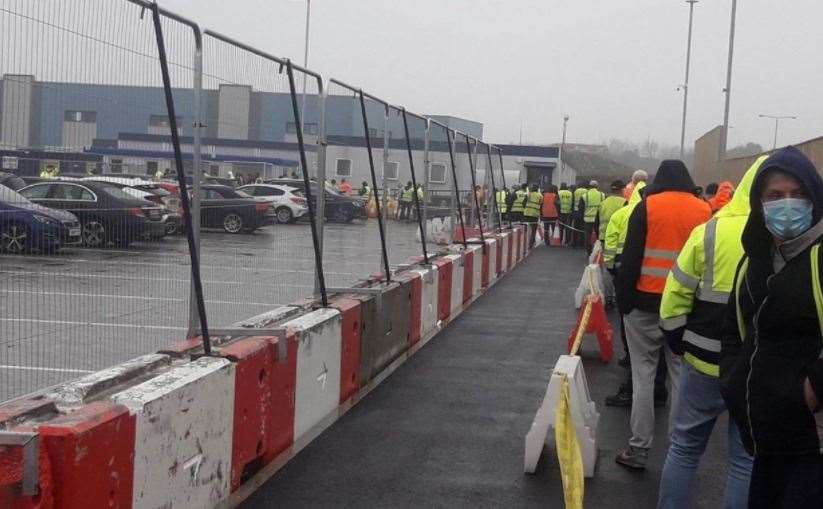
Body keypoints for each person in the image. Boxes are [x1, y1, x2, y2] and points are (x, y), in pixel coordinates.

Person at [657, 156, 766, 508]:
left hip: (703, 360)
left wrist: (678, 342)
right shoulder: (790, 238)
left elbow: (674, 297)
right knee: (744, 459)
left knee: (685, 448)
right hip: (756, 371)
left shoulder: (711, 230)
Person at [720, 147, 823, 508]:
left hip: (813, 446)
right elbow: (735, 329)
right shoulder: (755, 264)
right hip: (766, 442)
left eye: (798, 194)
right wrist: (733, 382)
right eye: (775, 196)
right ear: (759, 204)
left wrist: (812, 389)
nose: (788, 204)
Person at [615, 160, 712, 470]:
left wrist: (624, 301)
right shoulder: (703, 210)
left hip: (643, 305)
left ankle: (639, 448)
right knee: (680, 378)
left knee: (642, 377)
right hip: (684, 310)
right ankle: (678, 451)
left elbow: (631, 258)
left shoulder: (647, 207)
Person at [604, 179, 666, 405]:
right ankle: (658, 388)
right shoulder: (658, 213)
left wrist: (610, 266)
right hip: (658, 286)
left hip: (627, 273)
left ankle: (633, 381)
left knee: (633, 335)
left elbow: (610, 241)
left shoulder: (625, 213)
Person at [581, 180, 604, 253]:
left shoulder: (585, 196)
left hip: (588, 219)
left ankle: (589, 251)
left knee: (588, 236)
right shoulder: (602, 195)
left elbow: (581, 208)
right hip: (599, 219)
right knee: (599, 236)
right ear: (597, 186)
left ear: (589, 186)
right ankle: (599, 251)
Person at [523, 183, 543, 248]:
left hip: (527, 213)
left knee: (528, 229)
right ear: (538, 189)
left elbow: (524, 202)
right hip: (535, 214)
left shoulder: (529, 194)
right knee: (534, 230)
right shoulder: (540, 196)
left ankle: (526, 242)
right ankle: (531, 243)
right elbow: (541, 205)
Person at [573, 182, 588, 248]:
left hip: (576, 211)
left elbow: (573, 200)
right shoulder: (587, 191)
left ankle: (574, 243)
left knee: (575, 228)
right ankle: (582, 243)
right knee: (582, 228)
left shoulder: (576, 191)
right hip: (583, 212)